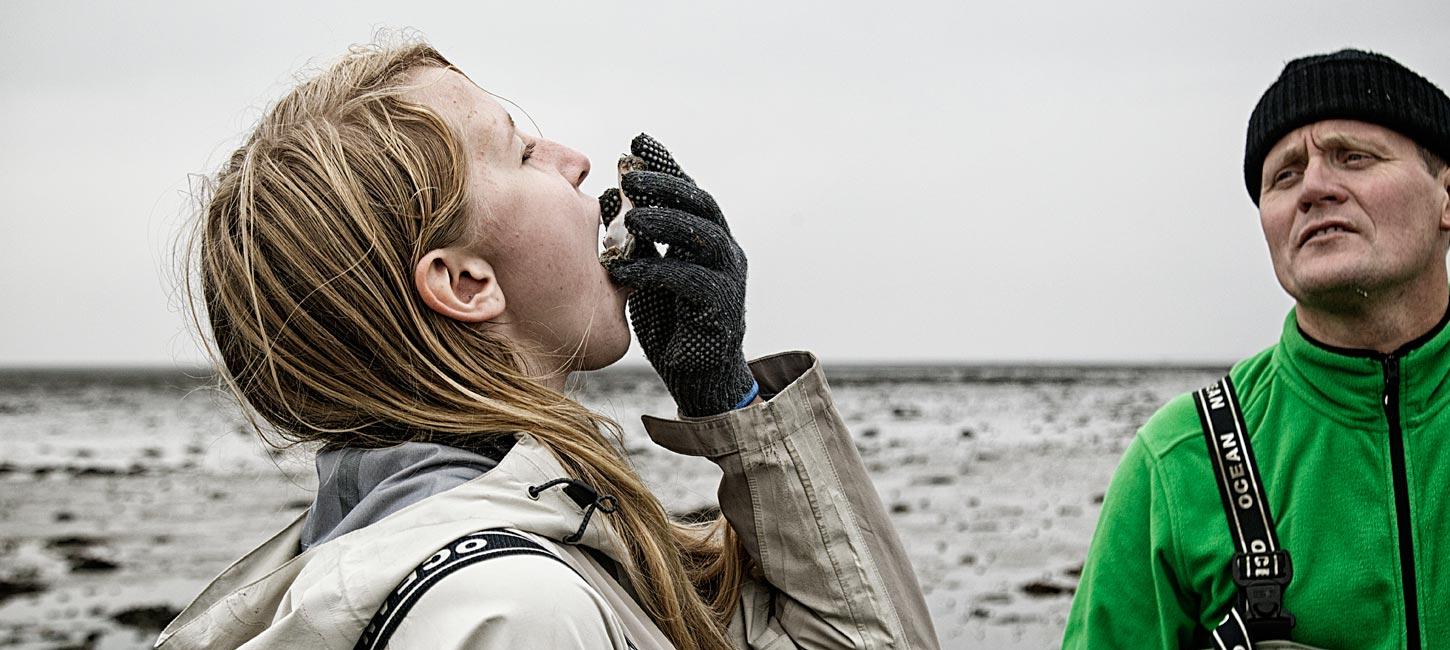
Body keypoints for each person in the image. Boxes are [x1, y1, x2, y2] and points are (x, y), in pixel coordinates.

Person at [157, 41, 939, 650]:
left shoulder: (500, 545)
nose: (574, 160)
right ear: (464, 283)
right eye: (522, 154)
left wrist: (730, 403)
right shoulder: (510, 611)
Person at [1063, 49, 1450, 649]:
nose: (1316, 187)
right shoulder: (1178, 462)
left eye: (1354, 157)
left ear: (1446, 196)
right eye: (1284, 176)